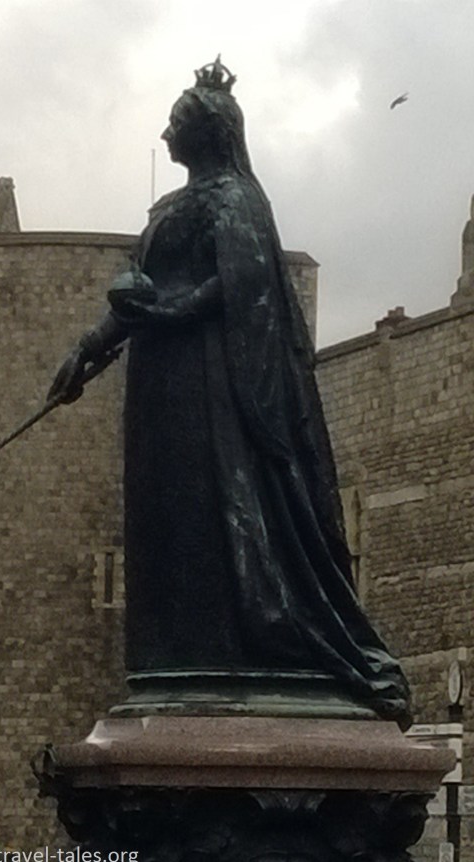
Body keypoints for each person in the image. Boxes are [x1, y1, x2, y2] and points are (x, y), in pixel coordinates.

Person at [49, 59, 411, 728]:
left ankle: (237, 645)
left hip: (212, 386)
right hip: (161, 390)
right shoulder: (171, 207)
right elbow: (138, 294)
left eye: (175, 124)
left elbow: (241, 287)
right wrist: (86, 350)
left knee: (214, 510)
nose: (165, 134)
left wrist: (169, 313)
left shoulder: (235, 201)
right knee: (167, 515)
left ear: (208, 134)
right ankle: (180, 653)